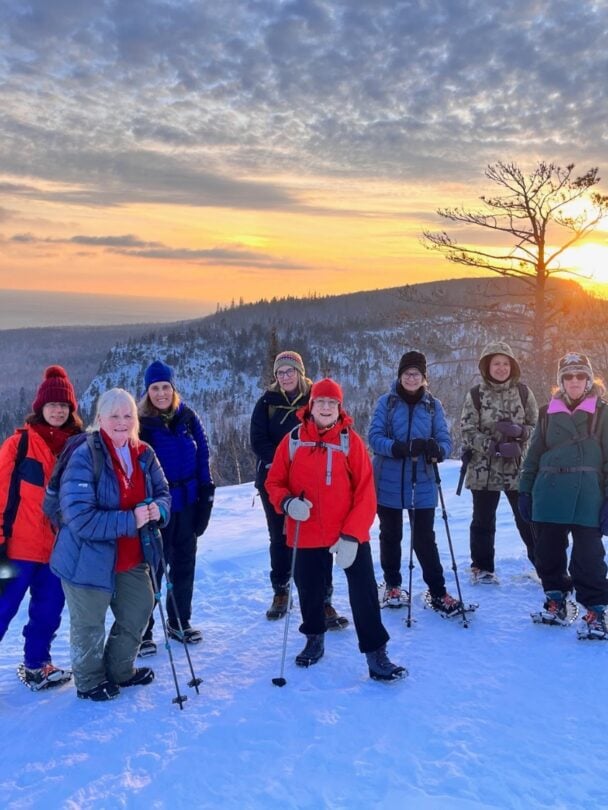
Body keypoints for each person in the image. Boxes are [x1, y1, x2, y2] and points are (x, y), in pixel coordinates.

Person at [265, 378, 406, 680]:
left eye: (332, 403)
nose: (326, 407)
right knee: (310, 589)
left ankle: (376, 653)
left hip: (347, 532)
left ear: (340, 408)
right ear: (311, 405)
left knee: (364, 591)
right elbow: (273, 482)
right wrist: (287, 503)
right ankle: (314, 638)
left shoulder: (349, 441)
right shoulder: (292, 440)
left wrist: (353, 534)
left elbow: (366, 492)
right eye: (321, 401)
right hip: (307, 531)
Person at [50, 388, 171, 701]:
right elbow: (81, 518)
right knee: (89, 623)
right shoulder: (84, 456)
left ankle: (119, 670)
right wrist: (133, 519)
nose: (121, 421)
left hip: (131, 556)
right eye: (114, 415)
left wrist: (160, 509)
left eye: (127, 415)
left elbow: (163, 492)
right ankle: (89, 681)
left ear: (135, 418)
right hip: (86, 559)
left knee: (140, 608)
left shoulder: (144, 454)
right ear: (99, 418)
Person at [250, 350, 347, 629]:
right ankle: (281, 591)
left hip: (313, 482)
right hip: (274, 480)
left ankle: (323, 599)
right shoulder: (266, 402)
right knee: (279, 538)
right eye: (280, 372)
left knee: (319, 539)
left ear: (300, 372)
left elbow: (329, 430)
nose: (286, 376)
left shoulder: (314, 400)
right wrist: (283, 462)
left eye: (290, 371)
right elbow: (257, 440)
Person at [0, 365, 82, 690]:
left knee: (48, 613)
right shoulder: (18, 446)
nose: (58, 410)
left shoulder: (79, 447)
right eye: (52, 405)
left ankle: (37, 666)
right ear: (40, 407)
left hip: (58, 552)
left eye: (63, 405)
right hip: (17, 550)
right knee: (2, 610)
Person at [518, 352, 608, 638]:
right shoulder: (547, 413)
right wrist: (525, 490)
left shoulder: (603, 414)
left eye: (580, 375)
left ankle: (595, 610)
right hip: (549, 494)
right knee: (547, 553)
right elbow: (532, 457)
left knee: (589, 558)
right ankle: (556, 600)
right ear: (561, 381)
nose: (574, 381)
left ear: (589, 379)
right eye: (568, 376)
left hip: (588, 496)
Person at [368, 350, 460, 615]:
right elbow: (374, 437)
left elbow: (445, 440)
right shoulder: (387, 403)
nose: (411, 378)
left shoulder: (433, 406)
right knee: (391, 534)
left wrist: (437, 450)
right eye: (407, 373)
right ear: (400, 375)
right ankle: (393, 585)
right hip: (389, 480)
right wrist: (398, 448)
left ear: (424, 378)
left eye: (416, 374)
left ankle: (438, 591)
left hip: (423, 481)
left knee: (424, 539)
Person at [137, 360, 214, 655]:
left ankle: (179, 621)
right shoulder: (141, 425)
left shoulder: (188, 418)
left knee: (184, 565)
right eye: (154, 388)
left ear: (173, 388)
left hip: (188, 504)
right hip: (158, 508)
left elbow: (203, 457)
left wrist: (207, 497)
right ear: (147, 392)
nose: (160, 393)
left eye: (165, 387)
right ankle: (143, 631)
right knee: (153, 569)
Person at [460, 341, 538, 584]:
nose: (501, 368)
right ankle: (482, 568)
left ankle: (545, 566)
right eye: (496, 363)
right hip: (484, 470)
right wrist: (492, 446)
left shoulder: (524, 392)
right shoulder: (475, 394)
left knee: (528, 518)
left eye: (505, 363)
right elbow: (467, 429)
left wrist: (521, 433)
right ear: (487, 366)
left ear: (512, 366)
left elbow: (537, 427)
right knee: (483, 521)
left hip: (518, 468)